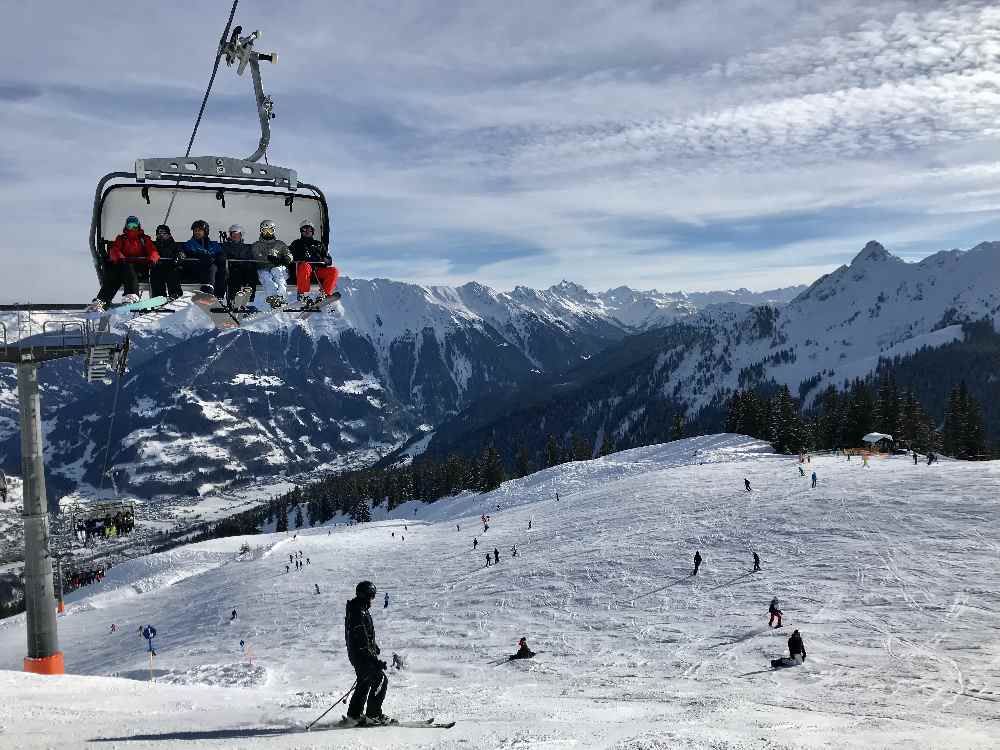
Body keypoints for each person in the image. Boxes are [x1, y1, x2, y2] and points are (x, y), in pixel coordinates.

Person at [343, 580, 391, 727]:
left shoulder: (358, 609)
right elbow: (361, 639)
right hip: (361, 655)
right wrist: (374, 660)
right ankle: (373, 714)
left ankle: (354, 715)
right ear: (365, 595)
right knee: (380, 679)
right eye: (371, 596)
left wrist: (373, 645)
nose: (372, 599)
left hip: (358, 654)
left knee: (364, 682)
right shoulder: (358, 611)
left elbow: (363, 635)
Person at [89, 216, 160, 310]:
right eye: (130, 225)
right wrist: (120, 258)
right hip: (123, 267)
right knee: (113, 276)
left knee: (128, 267)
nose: (132, 228)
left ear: (138, 226)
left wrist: (152, 259)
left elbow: (153, 251)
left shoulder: (144, 239)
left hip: (140, 268)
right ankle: (101, 302)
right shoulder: (122, 239)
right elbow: (114, 250)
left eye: (134, 225)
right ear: (126, 226)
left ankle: (132, 295)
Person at [289, 218, 340, 305]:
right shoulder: (296, 244)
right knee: (305, 265)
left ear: (313, 231)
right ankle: (303, 295)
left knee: (334, 271)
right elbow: (288, 255)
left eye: (309, 229)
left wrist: (325, 260)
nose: (307, 231)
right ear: (301, 231)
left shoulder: (319, 245)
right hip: (303, 271)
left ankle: (324, 295)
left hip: (317, 272)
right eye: (304, 229)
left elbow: (329, 259)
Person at [253, 219, 292, 309]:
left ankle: (282, 297)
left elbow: (288, 254)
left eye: (270, 230)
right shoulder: (256, 245)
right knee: (266, 277)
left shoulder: (280, 244)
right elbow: (256, 255)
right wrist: (268, 258)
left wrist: (285, 259)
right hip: (263, 267)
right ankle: (273, 297)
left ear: (273, 231)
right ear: (261, 231)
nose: (267, 233)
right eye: (265, 230)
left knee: (279, 275)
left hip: (278, 266)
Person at [183, 219, 227, 298]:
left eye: (199, 230)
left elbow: (221, 254)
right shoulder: (190, 244)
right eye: (195, 231)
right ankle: (207, 292)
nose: (197, 232)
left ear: (205, 232)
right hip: (196, 270)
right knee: (212, 267)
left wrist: (219, 257)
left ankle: (219, 296)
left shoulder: (213, 244)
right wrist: (202, 255)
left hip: (212, 271)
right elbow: (190, 254)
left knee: (221, 269)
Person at [221, 224, 258, 308]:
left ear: (241, 235)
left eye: (237, 234)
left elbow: (250, 259)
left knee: (251, 272)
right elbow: (222, 256)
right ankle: (233, 298)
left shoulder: (246, 248)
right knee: (235, 274)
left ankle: (249, 293)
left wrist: (247, 264)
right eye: (233, 234)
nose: (235, 236)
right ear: (230, 235)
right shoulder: (226, 246)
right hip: (232, 268)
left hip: (244, 268)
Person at [149, 224, 183, 300]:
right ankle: (159, 298)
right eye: (159, 233)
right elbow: (151, 252)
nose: (161, 235)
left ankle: (175, 295)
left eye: (164, 233)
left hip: (171, 267)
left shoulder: (174, 245)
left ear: (169, 235)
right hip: (158, 268)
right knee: (155, 275)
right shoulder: (154, 245)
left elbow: (180, 252)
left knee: (173, 274)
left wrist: (179, 257)